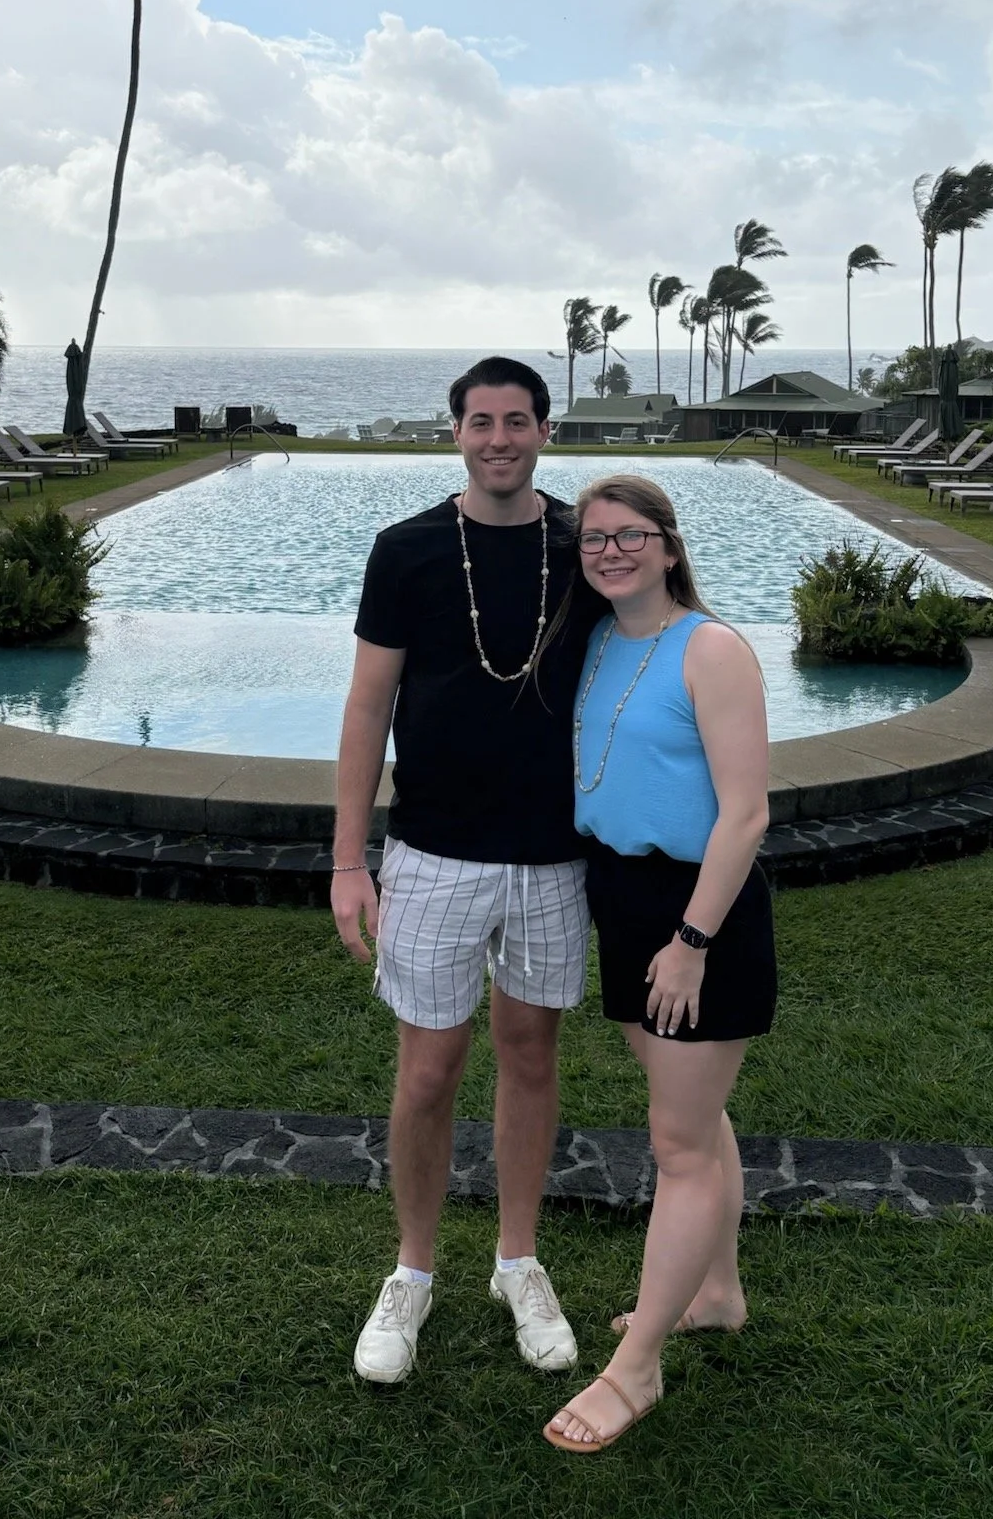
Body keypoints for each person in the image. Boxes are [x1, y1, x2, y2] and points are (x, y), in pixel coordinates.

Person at [331, 355, 598, 1384]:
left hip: (550, 853)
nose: (499, 437)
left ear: (543, 430)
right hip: (434, 850)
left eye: (517, 420)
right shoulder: (405, 551)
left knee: (530, 1053)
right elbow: (366, 706)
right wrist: (351, 856)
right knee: (430, 1068)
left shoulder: (582, 543)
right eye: (481, 420)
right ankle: (412, 1270)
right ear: (455, 431)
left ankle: (517, 1259)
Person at [543, 474, 776, 1455]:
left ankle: (636, 1363)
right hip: (623, 895)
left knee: (677, 1142)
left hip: (696, 910)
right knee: (694, 1115)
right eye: (594, 538)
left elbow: (747, 812)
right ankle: (715, 1291)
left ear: (669, 546)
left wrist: (690, 942)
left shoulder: (711, 648)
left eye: (629, 535)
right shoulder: (598, 639)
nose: (610, 551)